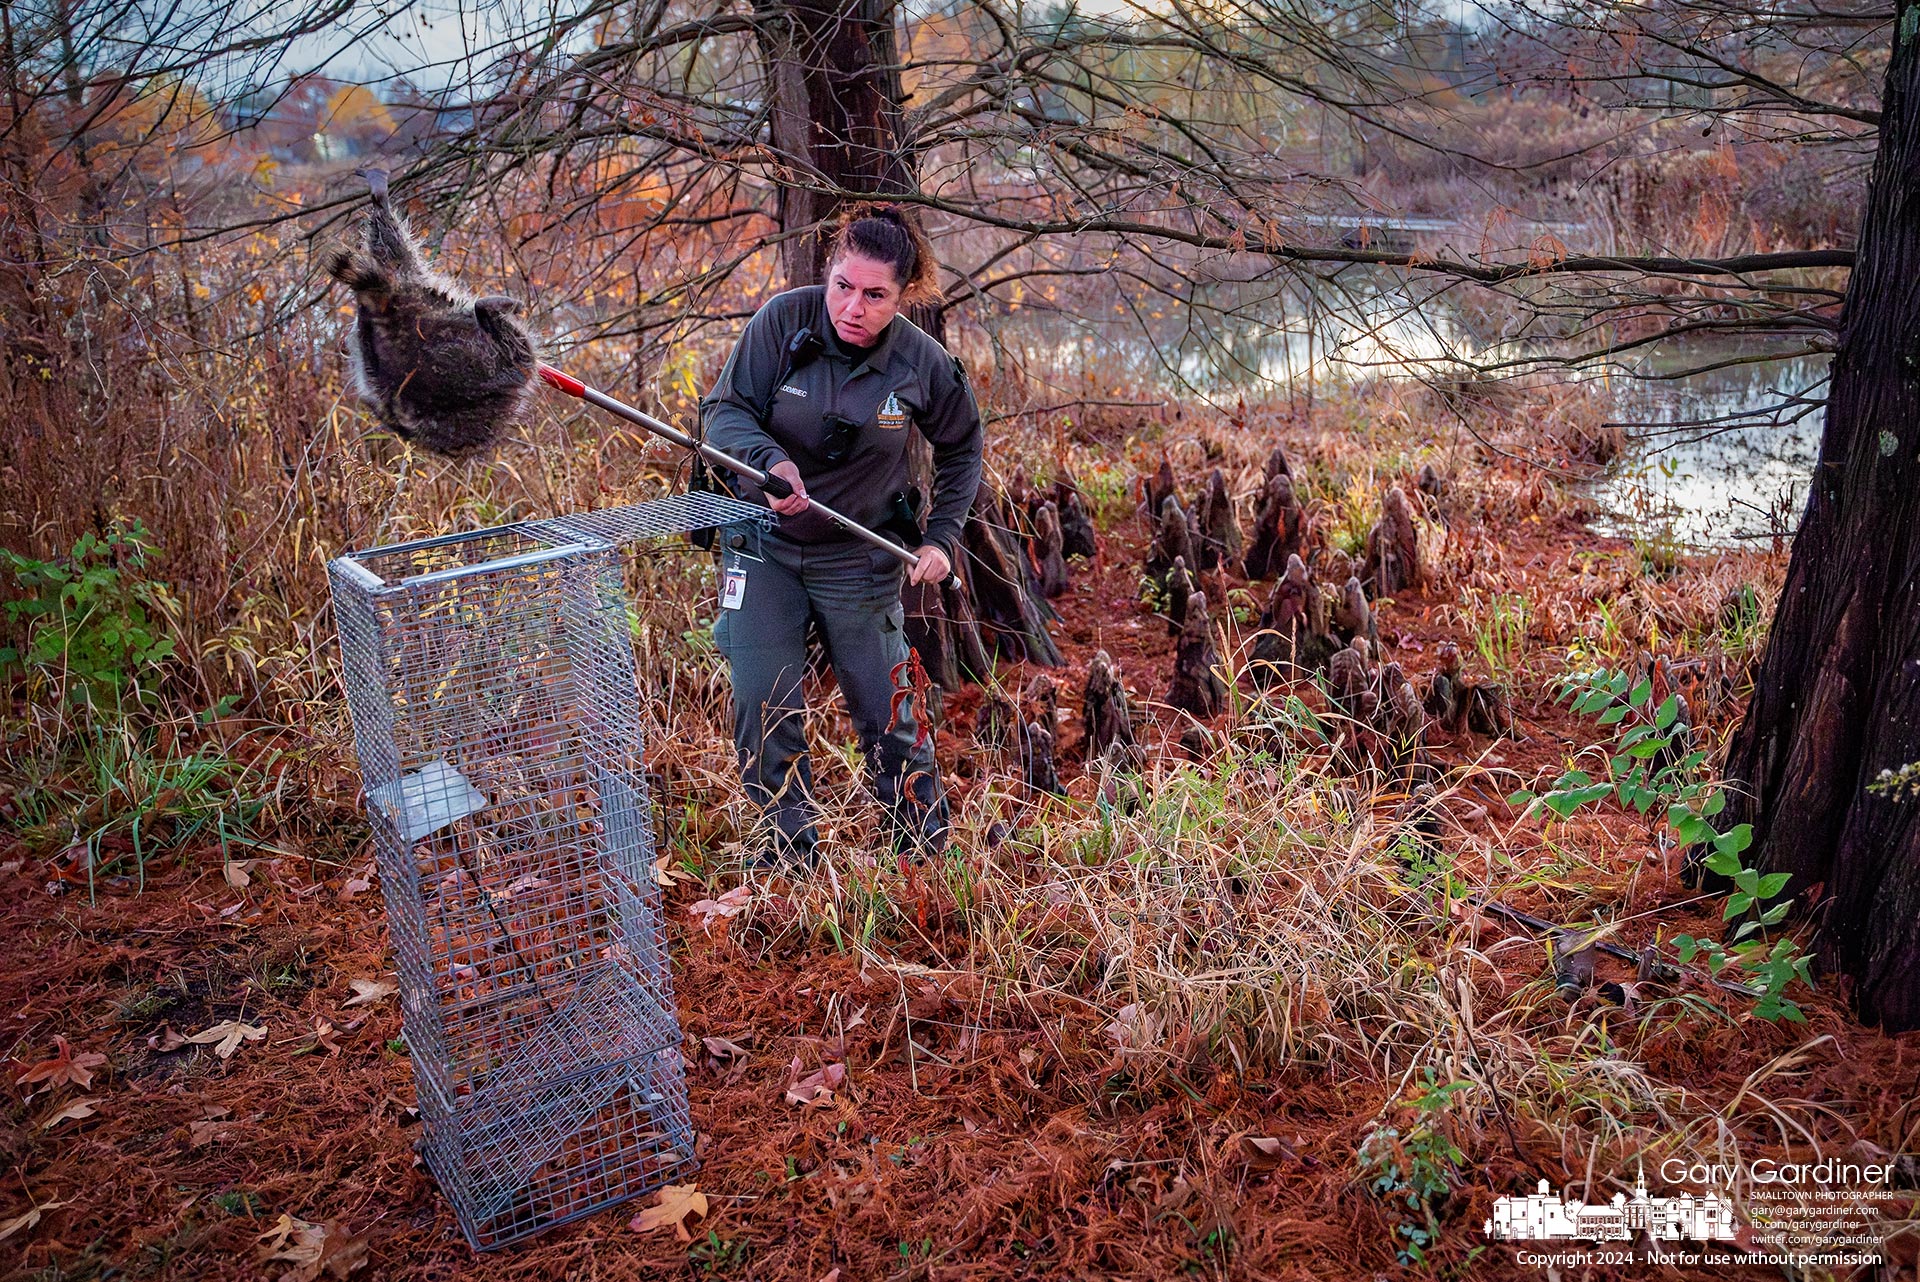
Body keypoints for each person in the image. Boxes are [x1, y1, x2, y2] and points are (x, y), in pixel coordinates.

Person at [699, 204, 984, 867]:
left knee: (888, 716)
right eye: (842, 286)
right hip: (765, 545)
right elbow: (724, 412)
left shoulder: (922, 363)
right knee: (762, 704)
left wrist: (940, 539)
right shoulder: (782, 322)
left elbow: (963, 450)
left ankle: (923, 857)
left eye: (875, 294)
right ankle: (786, 854)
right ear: (828, 275)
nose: (853, 307)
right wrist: (771, 464)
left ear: (903, 295)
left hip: (860, 558)